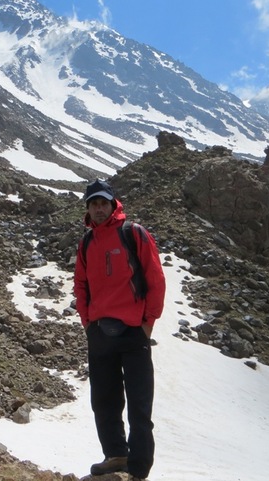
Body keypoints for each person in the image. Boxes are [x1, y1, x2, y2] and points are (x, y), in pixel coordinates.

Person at [74, 178, 166, 481]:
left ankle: (138, 469)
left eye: (104, 203)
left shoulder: (133, 234)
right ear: (88, 209)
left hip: (132, 332)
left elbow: (155, 278)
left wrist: (147, 324)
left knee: (140, 404)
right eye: (94, 204)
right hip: (100, 333)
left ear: (114, 205)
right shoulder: (87, 242)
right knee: (104, 400)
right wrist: (88, 323)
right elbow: (81, 284)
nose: (99, 209)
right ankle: (115, 456)